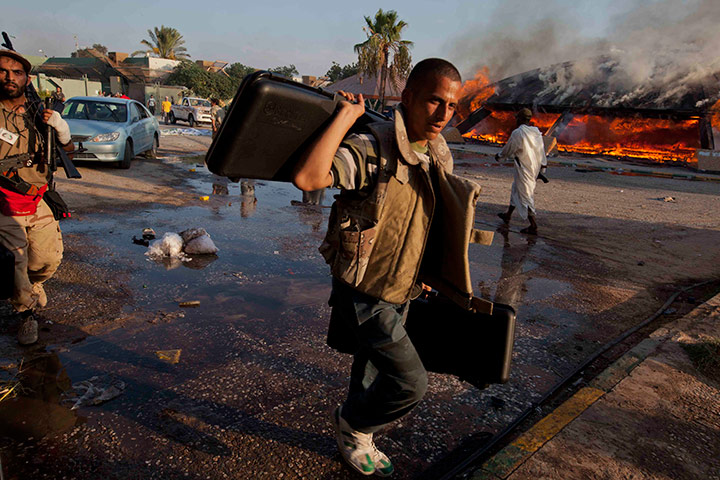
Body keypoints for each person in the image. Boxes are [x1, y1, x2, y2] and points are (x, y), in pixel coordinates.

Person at [292, 58, 471, 477]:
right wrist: (347, 117)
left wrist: (429, 276)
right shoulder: (375, 146)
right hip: (366, 289)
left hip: (404, 285)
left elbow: (425, 223)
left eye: (452, 106)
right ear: (407, 98)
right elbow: (308, 177)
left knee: (371, 369)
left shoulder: (438, 155)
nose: (444, 114)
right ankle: (353, 423)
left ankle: (357, 436)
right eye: (433, 101)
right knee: (411, 382)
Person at [0, 50, 74, 345]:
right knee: (16, 264)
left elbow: (66, 155)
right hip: (4, 200)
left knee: (47, 259)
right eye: (3, 71)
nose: (9, 77)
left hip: (37, 197)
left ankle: (34, 286)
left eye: (16, 72)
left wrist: (61, 130)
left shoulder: (38, 113)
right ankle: (25, 315)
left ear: (26, 79)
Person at [495, 108, 547, 235]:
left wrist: (500, 156)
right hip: (533, 168)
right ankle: (508, 215)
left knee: (525, 196)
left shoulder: (518, 133)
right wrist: (543, 167)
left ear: (520, 119)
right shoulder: (536, 133)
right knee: (516, 190)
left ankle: (533, 225)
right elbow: (542, 151)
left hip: (524, 169)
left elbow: (509, 149)